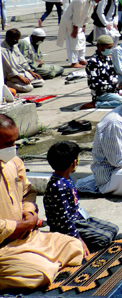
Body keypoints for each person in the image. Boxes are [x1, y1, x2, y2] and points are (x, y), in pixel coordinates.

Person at [0, 114, 84, 290]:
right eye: (8, 144)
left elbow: (28, 191)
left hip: (26, 236)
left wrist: (29, 212)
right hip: (4, 244)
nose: (13, 148)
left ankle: (39, 259)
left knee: (74, 246)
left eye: (15, 142)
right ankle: (40, 263)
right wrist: (18, 226)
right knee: (38, 273)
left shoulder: (13, 161)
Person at [43, 141, 119, 252]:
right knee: (104, 238)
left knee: (113, 229)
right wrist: (78, 239)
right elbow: (65, 220)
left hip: (79, 218)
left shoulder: (66, 179)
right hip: (67, 226)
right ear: (73, 163)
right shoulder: (58, 187)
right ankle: (68, 243)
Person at [2, 29, 44, 94]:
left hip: (23, 73)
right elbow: (9, 68)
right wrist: (20, 77)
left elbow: (23, 61)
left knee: (41, 81)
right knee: (29, 88)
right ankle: (8, 84)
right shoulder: (2, 50)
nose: (16, 41)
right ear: (8, 38)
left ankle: (23, 84)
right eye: (15, 40)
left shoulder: (15, 47)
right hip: (13, 76)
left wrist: (31, 72)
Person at [86, 35, 122, 108]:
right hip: (101, 94)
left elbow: (114, 75)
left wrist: (118, 85)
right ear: (100, 47)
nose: (110, 50)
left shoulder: (108, 59)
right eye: (108, 48)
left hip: (114, 91)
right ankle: (96, 104)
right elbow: (95, 84)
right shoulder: (92, 62)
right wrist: (112, 85)